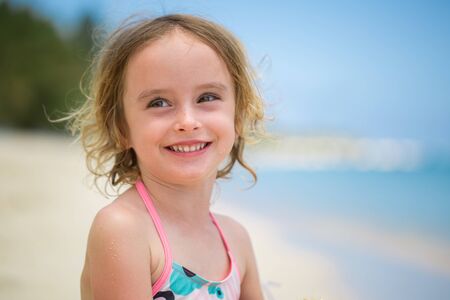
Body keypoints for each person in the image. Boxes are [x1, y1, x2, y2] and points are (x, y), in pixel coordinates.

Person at [72, 14, 266, 300]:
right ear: (122, 128)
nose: (187, 121)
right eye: (159, 102)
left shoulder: (236, 240)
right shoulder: (125, 230)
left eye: (207, 97)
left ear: (237, 116)